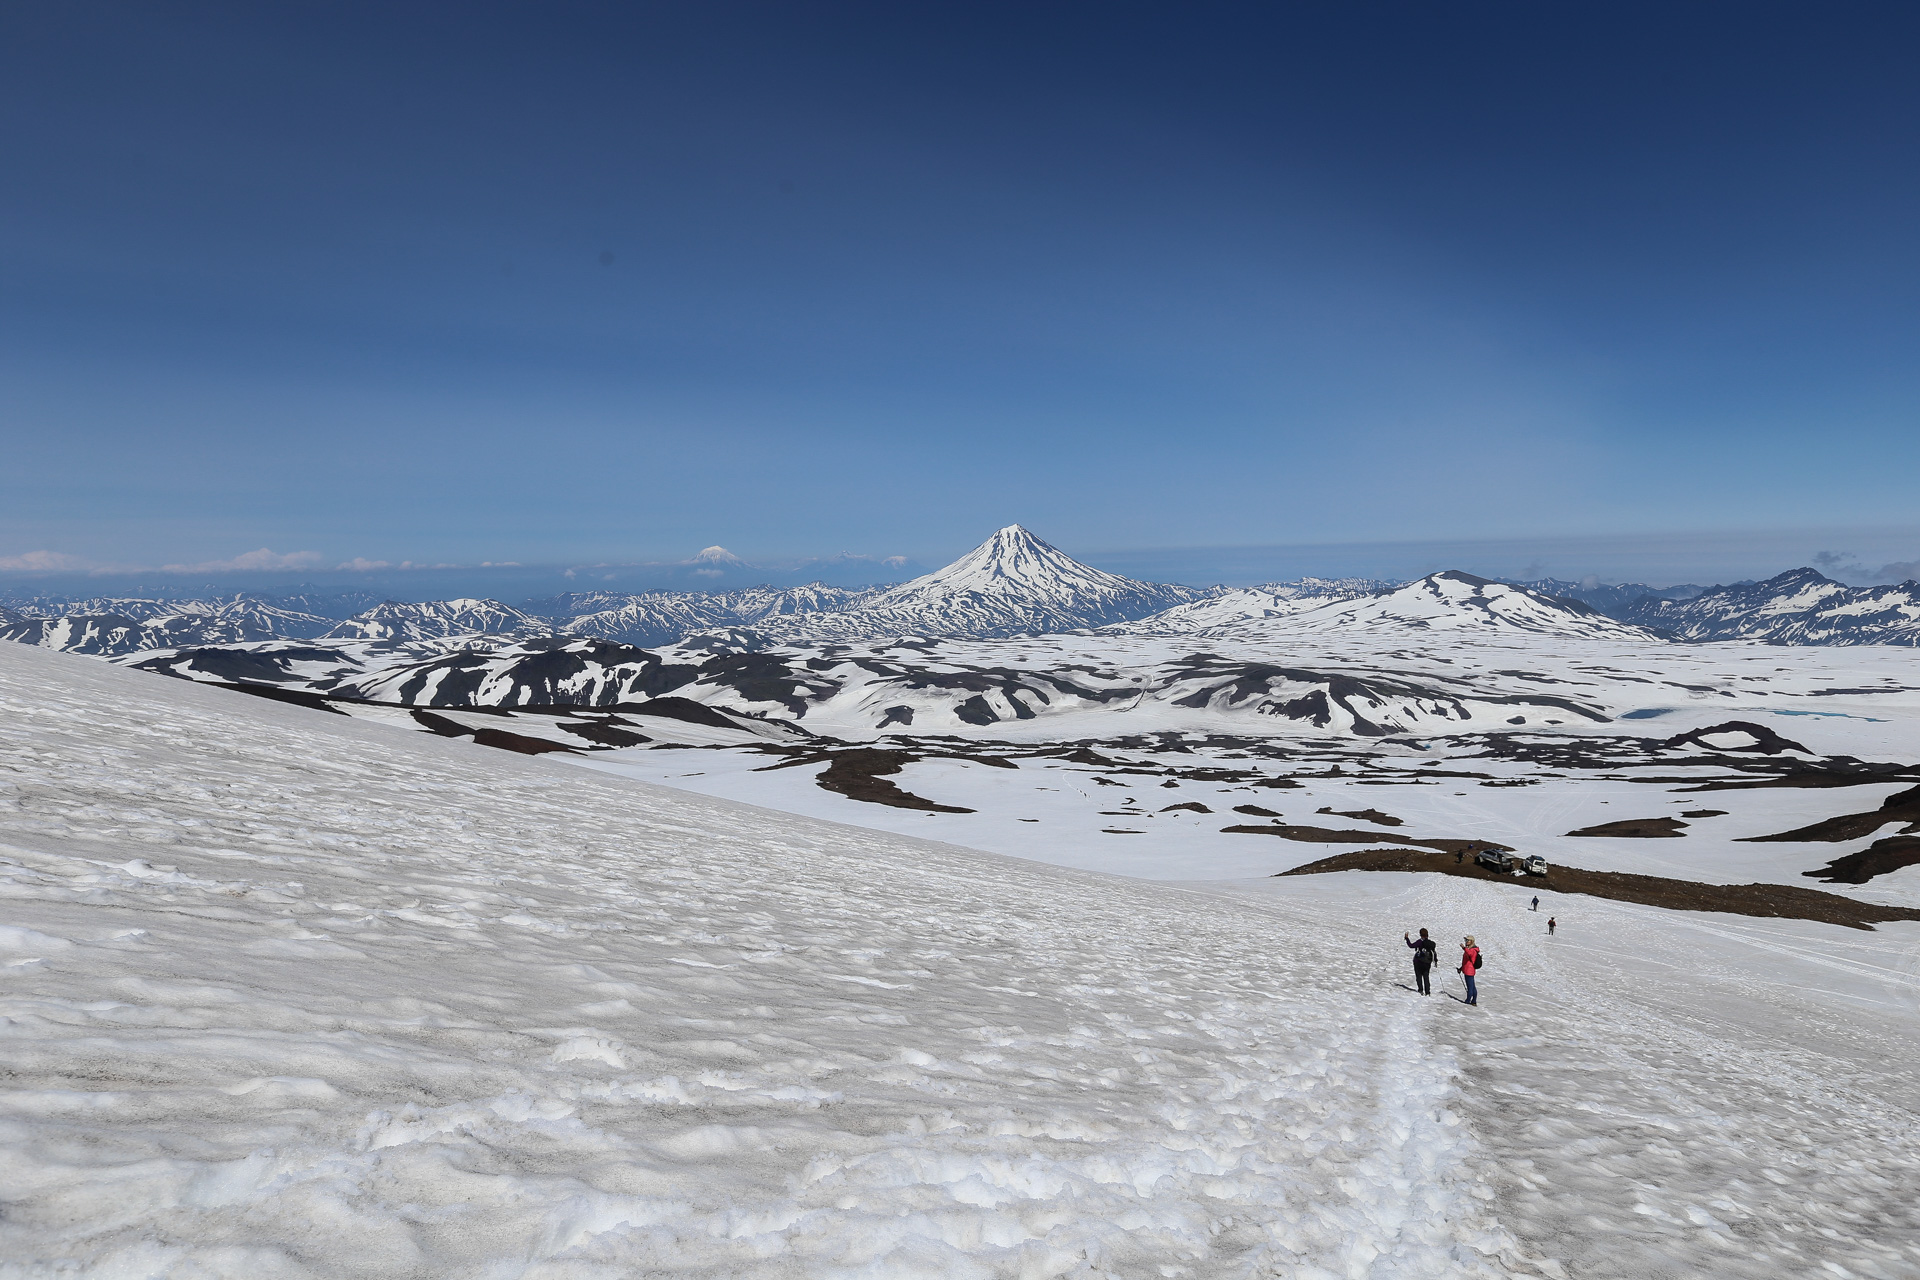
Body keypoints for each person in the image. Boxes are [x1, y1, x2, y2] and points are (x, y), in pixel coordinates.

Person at [1404, 928, 1437, 995]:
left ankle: (1420, 990)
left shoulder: (1420, 941)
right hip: (1427, 962)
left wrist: (1407, 939)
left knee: (1419, 976)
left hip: (1418, 962)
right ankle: (1427, 992)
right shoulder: (1430, 943)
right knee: (1426, 977)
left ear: (1420, 934)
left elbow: (1411, 945)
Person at [1459, 935, 1481, 1005]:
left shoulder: (1472, 950)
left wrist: (1464, 948)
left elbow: (1470, 953)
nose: (1466, 942)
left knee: (1470, 988)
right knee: (1472, 987)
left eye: (1467, 940)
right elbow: (1466, 961)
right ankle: (1473, 1001)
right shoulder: (1472, 949)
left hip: (1469, 971)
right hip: (1469, 970)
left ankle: (1468, 1001)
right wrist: (1461, 968)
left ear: (1471, 941)